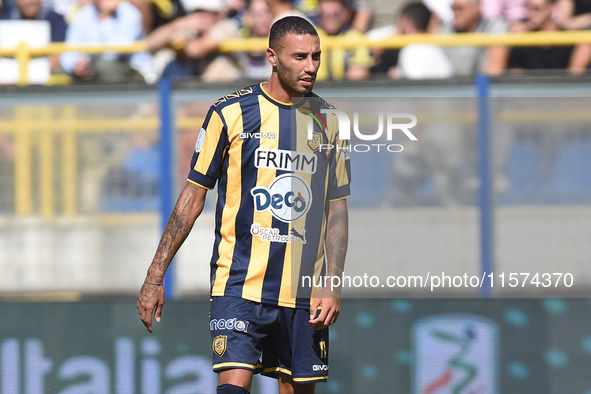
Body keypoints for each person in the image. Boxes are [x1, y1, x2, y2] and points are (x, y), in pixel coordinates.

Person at [137, 15, 351, 394]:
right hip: (238, 284)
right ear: (272, 56)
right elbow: (193, 195)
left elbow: (336, 209)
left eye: (316, 56)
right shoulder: (230, 113)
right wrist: (156, 274)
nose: (311, 66)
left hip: (303, 292)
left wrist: (332, 282)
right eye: (300, 56)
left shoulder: (329, 120)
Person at [60, 0, 156, 83]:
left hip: (133, 72)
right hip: (94, 69)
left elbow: (116, 52)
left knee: (103, 66)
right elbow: (69, 53)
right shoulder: (83, 14)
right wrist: (77, 64)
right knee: (60, 70)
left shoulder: (129, 12)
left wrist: (87, 62)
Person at [147, 0, 241, 81]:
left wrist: (182, 40)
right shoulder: (192, 31)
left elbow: (195, 50)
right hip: (200, 92)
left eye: (209, 12)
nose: (203, 17)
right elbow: (149, 43)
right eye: (198, 12)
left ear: (220, 14)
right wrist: (179, 24)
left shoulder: (227, 26)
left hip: (227, 92)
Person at [508, 0, 591, 74]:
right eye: (528, 7)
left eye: (536, 8)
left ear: (550, 8)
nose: (531, 13)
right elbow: (516, 78)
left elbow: (574, 79)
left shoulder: (569, 38)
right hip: (532, 89)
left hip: (563, 89)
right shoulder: (523, 40)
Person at [442, 0, 509, 77]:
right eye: (453, 8)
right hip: (450, 87)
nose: (455, 13)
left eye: (459, 8)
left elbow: (495, 69)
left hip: (480, 87)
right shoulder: (445, 30)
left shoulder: (494, 27)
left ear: (476, 9)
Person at [0, 0, 67, 73]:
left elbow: (56, 57)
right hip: (8, 80)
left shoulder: (57, 20)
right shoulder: (4, 19)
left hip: (47, 80)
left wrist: (35, 77)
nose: (30, 2)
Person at [316, 0, 372, 80]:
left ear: (347, 13)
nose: (329, 19)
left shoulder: (356, 38)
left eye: (335, 14)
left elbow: (358, 76)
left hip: (344, 90)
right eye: (324, 15)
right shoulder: (311, 35)